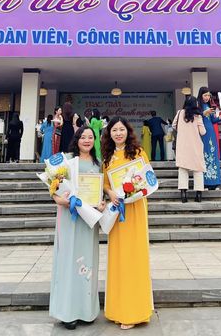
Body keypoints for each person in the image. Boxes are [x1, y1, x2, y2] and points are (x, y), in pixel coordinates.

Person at [49, 125, 105, 330]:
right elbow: (54, 187)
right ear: (77, 139)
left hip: (88, 219)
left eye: (91, 137)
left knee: (87, 261)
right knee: (68, 261)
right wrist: (60, 200)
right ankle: (68, 312)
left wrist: (101, 204)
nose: (87, 140)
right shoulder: (67, 161)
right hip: (69, 217)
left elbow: (101, 192)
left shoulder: (98, 164)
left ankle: (86, 310)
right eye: (83, 137)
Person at [102, 117, 153, 330]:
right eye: (114, 130)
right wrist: (111, 192)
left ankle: (135, 311)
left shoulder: (138, 153)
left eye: (121, 129)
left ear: (128, 131)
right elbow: (105, 183)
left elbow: (149, 178)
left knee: (135, 256)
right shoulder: (107, 158)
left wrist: (135, 189)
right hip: (118, 212)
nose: (118, 133)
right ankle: (118, 309)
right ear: (109, 134)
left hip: (136, 209)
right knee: (119, 258)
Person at [173, 96, 206, 203]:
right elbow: (203, 132)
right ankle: (198, 195)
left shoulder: (179, 113)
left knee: (183, 169)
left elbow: (174, 126)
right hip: (195, 146)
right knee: (198, 169)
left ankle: (183, 194)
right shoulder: (198, 116)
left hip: (182, 145)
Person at [197, 88, 221, 190]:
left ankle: (215, 182)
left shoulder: (208, 106)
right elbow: (195, 117)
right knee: (205, 155)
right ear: (201, 95)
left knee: (213, 154)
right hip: (203, 133)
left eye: (208, 95)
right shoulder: (197, 106)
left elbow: (213, 120)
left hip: (211, 133)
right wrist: (203, 113)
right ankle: (206, 183)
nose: (207, 97)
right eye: (205, 95)